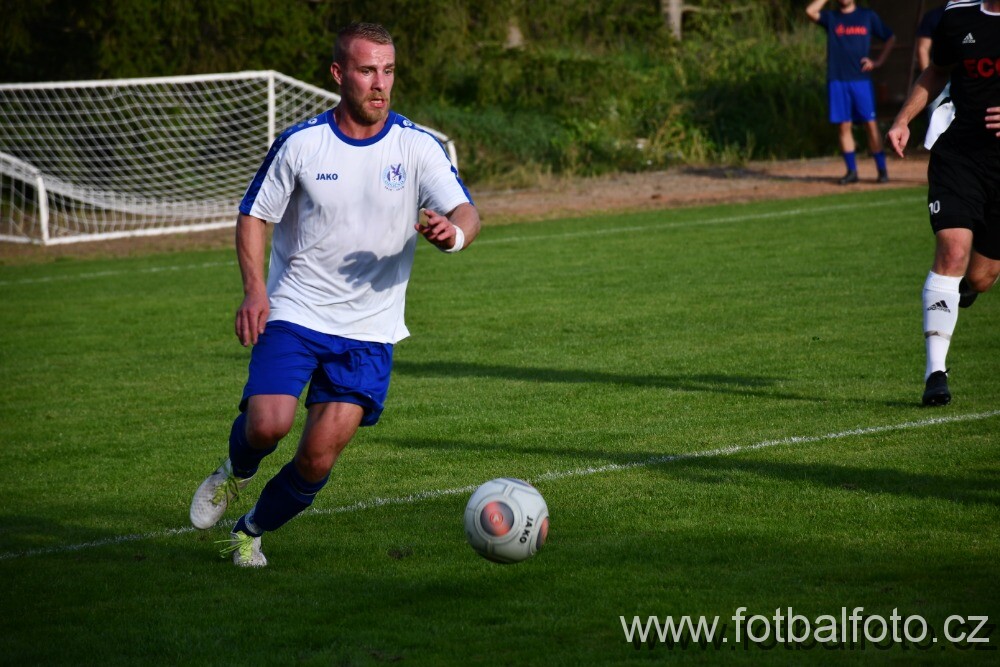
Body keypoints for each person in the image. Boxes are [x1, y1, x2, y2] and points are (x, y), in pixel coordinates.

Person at [189, 22, 481, 566]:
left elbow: (466, 210)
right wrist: (254, 291)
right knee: (267, 424)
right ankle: (236, 470)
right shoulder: (302, 143)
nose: (380, 83)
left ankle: (250, 530)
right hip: (296, 311)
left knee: (317, 459)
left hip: (370, 330)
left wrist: (455, 235)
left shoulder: (417, 145)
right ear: (338, 74)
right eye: (367, 70)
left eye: (388, 70)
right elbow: (254, 215)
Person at [886, 0, 1000, 407]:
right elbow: (936, 71)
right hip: (959, 158)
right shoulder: (957, 16)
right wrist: (903, 119)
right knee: (951, 251)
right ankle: (936, 373)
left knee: (982, 277)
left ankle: (961, 290)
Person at [806, 0, 896, 184]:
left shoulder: (867, 16)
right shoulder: (832, 18)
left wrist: (877, 62)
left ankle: (882, 170)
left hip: (861, 80)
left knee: (870, 124)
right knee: (843, 126)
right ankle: (852, 172)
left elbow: (890, 38)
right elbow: (810, 11)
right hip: (837, 79)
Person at [915, 3, 954, 149]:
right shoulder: (933, 16)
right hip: (940, 77)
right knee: (938, 123)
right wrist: (929, 82)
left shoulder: (977, 13)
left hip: (967, 80)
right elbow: (922, 49)